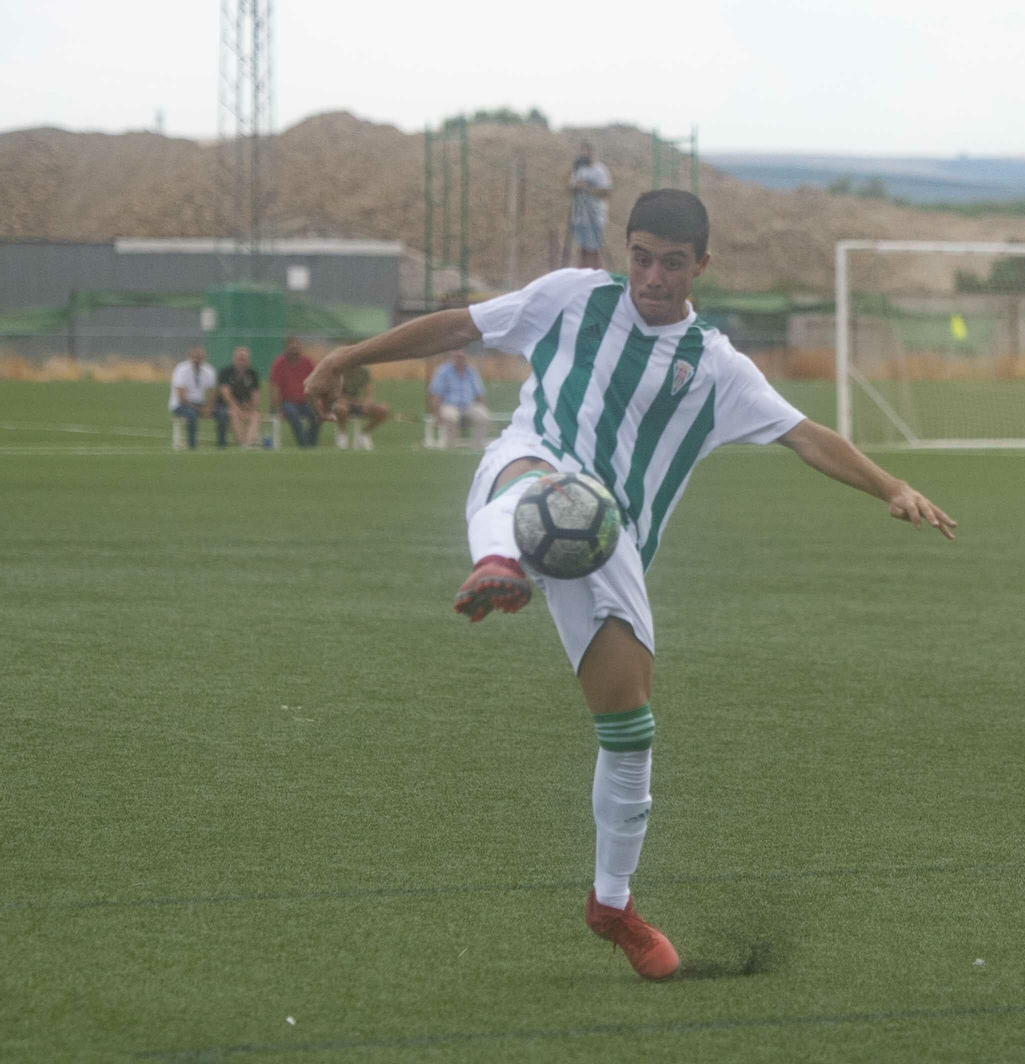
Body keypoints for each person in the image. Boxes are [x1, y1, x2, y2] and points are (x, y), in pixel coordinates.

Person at [305, 189, 956, 982]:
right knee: (530, 483)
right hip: (530, 465)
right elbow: (461, 325)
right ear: (626, 251)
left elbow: (806, 435)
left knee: (631, 730)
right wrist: (351, 356)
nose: (651, 276)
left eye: (671, 264)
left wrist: (890, 486)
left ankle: (611, 903)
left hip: (611, 542)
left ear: (701, 267)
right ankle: (501, 565)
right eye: (641, 256)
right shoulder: (571, 297)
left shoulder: (716, 367)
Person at [428, 350, 491, 449]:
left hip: (469, 405)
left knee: (483, 416)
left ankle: (477, 448)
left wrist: (482, 407)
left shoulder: (472, 372)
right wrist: (436, 414)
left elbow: (479, 394)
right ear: (452, 356)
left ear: (466, 357)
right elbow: (436, 395)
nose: (460, 358)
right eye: (457, 356)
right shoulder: (443, 371)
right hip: (448, 405)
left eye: (462, 356)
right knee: (451, 417)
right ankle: (450, 447)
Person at [169, 345, 228, 449]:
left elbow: (212, 392)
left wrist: (208, 407)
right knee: (191, 414)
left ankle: (221, 445)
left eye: (200, 356)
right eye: (196, 356)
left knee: (222, 413)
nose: (198, 359)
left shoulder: (209, 370)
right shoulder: (181, 370)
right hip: (181, 405)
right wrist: (199, 409)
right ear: (191, 356)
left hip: (199, 403)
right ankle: (192, 446)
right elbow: (181, 398)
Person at [269, 337, 321, 448]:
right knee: (293, 414)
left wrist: (317, 404)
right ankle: (304, 445)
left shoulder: (308, 363)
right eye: (291, 347)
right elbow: (275, 388)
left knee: (317, 415)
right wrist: (277, 409)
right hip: (287, 403)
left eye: (296, 347)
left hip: (305, 402)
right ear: (286, 349)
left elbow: (315, 383)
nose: (294, 350)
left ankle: (311, 444)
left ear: (300, 348)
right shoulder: (279, 364)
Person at [568, 141, 612, 270]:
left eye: (586, 151)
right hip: (579, 215)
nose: (584, 154)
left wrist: (588, 188)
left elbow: (606, 191)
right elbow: (570, 188)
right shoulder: (578, 169)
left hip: (594, 215)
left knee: (594, 249)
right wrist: (575, 186)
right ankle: (581, 276)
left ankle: (596, 275)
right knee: (582, 249)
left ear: (592, 153)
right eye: (581, 151)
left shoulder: (600, 170)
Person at [331, 363, 389, 450]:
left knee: (382, 410)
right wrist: (351, 401)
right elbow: (336, 394)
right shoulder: (340, 372)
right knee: (340, 409)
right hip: (342, 403)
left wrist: (367, 402)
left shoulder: (364, 372)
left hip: (358, 403)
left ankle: (364, 433)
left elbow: (369, 392)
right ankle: (342, 434)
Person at [217, 346, 262, 448]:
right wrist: (236, 406)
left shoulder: (253, 374)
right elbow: (226, 394)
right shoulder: (225, 373)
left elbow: (256, 396)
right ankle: (242, 443)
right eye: (240, 358)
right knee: (233, 413)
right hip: (226, 406)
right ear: (234, 359)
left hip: (245, 407)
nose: (242, 361)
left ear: (248, 360)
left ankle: (248, 444)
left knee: (256, 415)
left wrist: (251, 406)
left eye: (244, 359)